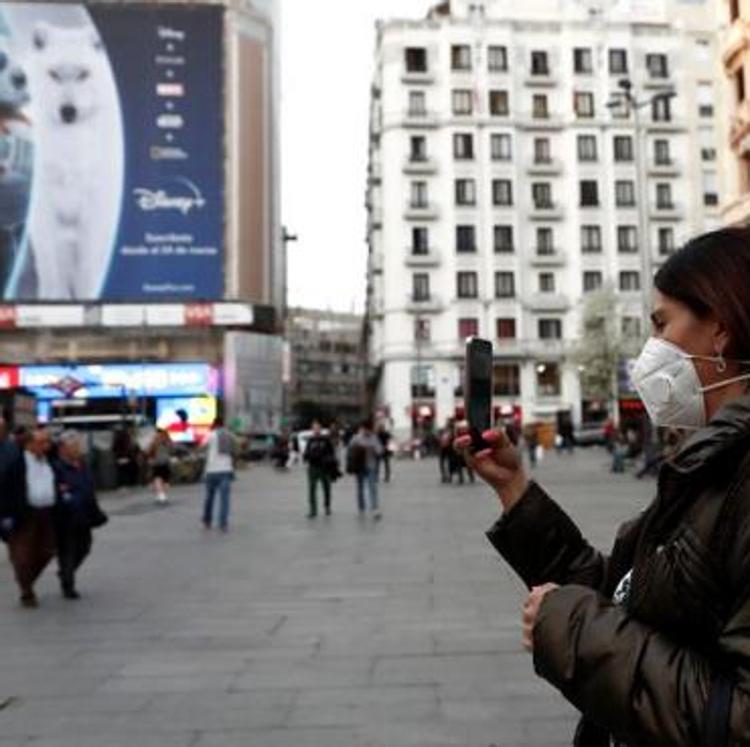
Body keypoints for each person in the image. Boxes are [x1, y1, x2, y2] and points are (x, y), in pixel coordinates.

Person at [455, 227, 750, 746]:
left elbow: (739, 719)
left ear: (720, 330)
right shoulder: (708, 463)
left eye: (662, 324)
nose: (651, 348)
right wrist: (514, 489)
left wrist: (574, 629)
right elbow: (625, 599)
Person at [2, 428, 57, 608]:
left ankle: (26, 581)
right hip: (23, 514)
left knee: (47, 551)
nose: (46, 446)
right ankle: (26, 590)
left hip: (46, 513)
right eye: (42, 443)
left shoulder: (49, 461)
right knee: (22, 556)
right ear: (30, 445)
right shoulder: (17, 463)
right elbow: (7, 490)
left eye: (47, 442)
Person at [53, 431, 106, 600]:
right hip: (64, 517)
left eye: (78, 446)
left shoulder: (82, 465)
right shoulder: (56, 467)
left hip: (84, 515)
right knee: (67, 550)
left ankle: (65, 572)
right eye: (74, 446)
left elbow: (89, 488)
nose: (78, 449)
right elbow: (57, 491)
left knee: (84, 546)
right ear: (62, 448)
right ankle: (68, 584)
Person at [202, 417, 236, 532]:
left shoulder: (211, 435)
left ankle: (207, 520)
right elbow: (237, 447)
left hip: (211, 470)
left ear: (214, 424)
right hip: (226, 470)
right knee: (224, 499)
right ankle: (223, 524)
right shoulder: (230, 435)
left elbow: (202, 446)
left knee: (209, 497)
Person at [347, 419, 383, 519]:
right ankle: (361, 507)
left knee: (373, 488)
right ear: (362, 428)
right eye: (365, 429)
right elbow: (350, 449)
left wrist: (373, 449)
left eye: (369, 430)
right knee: (360, 488)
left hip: (371, 466)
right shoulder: (356, 438)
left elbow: (380, 451)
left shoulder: (374, 438)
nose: (367, 431)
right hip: (359, 467)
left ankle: (375, 509)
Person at [303, 421, 336, 518]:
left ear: (320, 429)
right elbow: (306, 453)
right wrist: (307, 457)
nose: (316, 430)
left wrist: (330, 462)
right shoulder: (310, 440)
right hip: (313, 468)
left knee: (326, 488)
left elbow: (332, 453)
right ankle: (313, 510)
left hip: (324, 467)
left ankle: (327, 506)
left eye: (317, 428)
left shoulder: (325, 440)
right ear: (312, 430)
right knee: (312, 489)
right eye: (314, 428)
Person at [147, 428, 173, 504]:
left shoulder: (155, 441)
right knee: (164, 480)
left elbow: (149, 451)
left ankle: (161, 494)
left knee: (158, 479)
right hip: (165, 462)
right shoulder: (168, 441)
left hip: (157, 462)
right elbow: (171, 450)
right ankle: (161, 494)